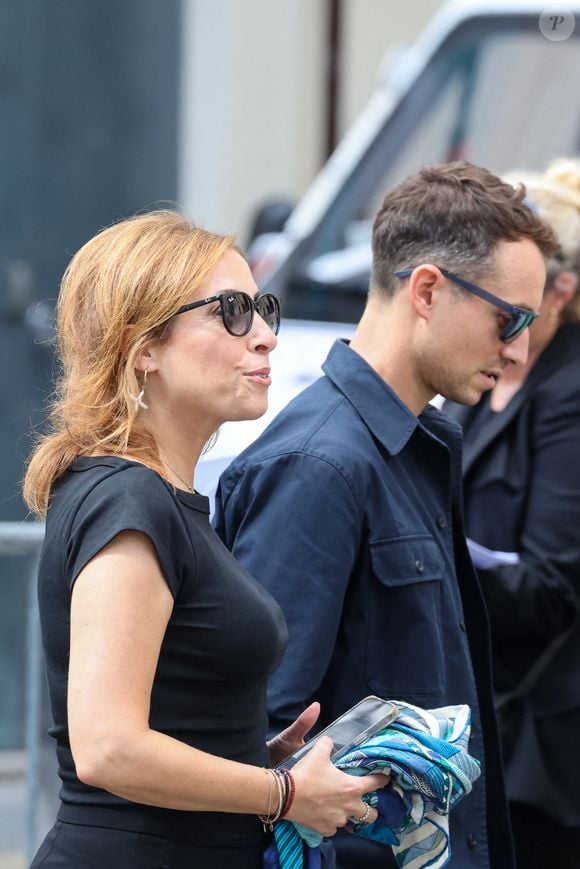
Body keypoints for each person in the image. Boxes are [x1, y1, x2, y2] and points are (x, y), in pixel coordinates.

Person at [213, 161, 559, 869]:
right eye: (509, 317)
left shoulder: (412, 448)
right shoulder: (321, 466)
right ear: (428, 289)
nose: (519, 347)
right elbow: (257, 740)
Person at [22, 210, 388, 869]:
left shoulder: (161, 498)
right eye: (232, 311)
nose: (267, 337)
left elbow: (159, 717)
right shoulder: (129, 499)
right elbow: (108, 746)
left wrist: (255, 755)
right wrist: (282, 791)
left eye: (263, 308)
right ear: (143, 347)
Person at [443, 158, 580, 868]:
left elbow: (554, 586)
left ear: (562, 288)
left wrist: (436, 556)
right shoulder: (466, 370)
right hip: (476, 714)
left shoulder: (568, 393)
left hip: (541, 749)